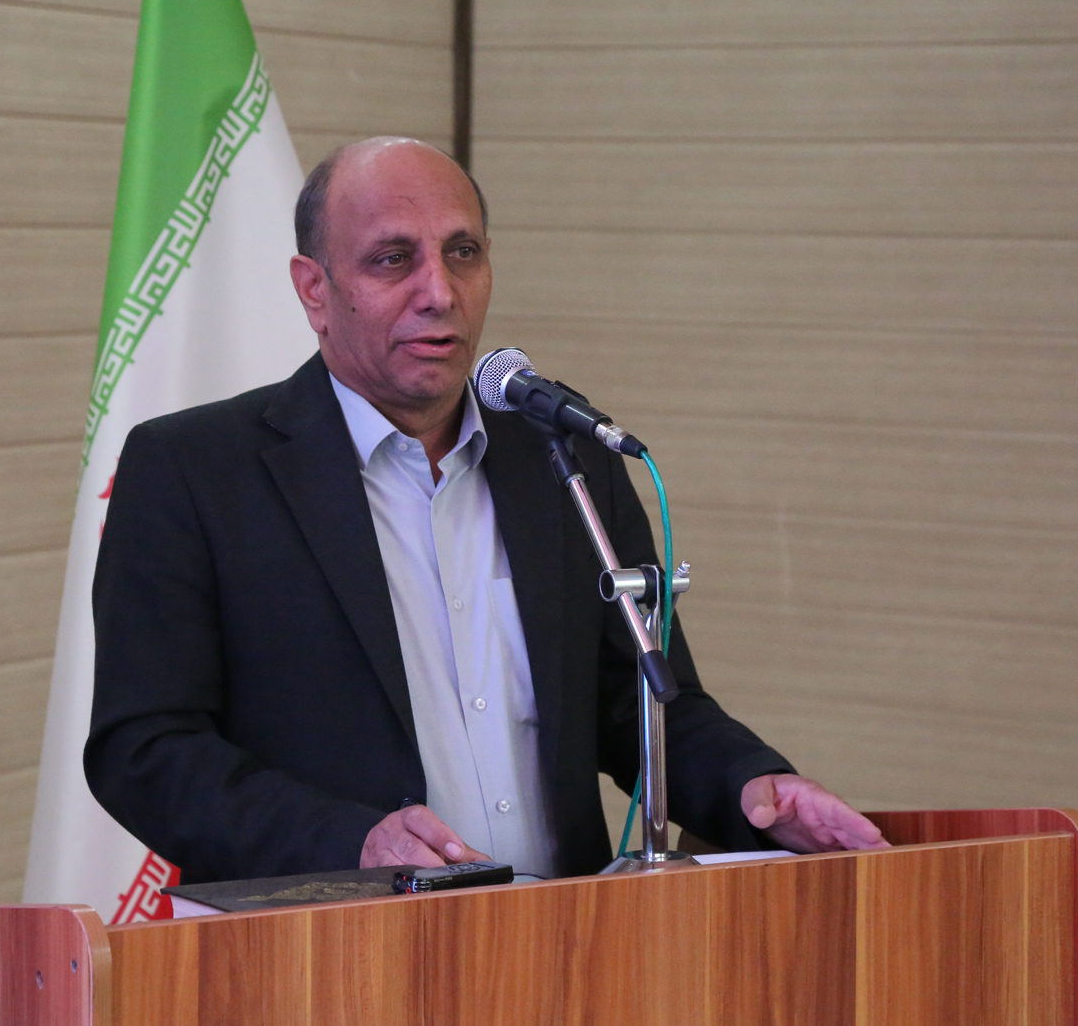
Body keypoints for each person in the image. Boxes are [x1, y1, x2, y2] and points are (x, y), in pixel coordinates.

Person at [84, 137, 885, 884]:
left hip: (564, 945)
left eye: (462, 252)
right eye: (393, 258)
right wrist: (351, 842)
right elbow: (145, 749)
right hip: (331, 952)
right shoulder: (195, 471)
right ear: (314, 289)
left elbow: (635, 701)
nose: (440, 292)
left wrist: (758, 786)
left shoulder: (565, 460)